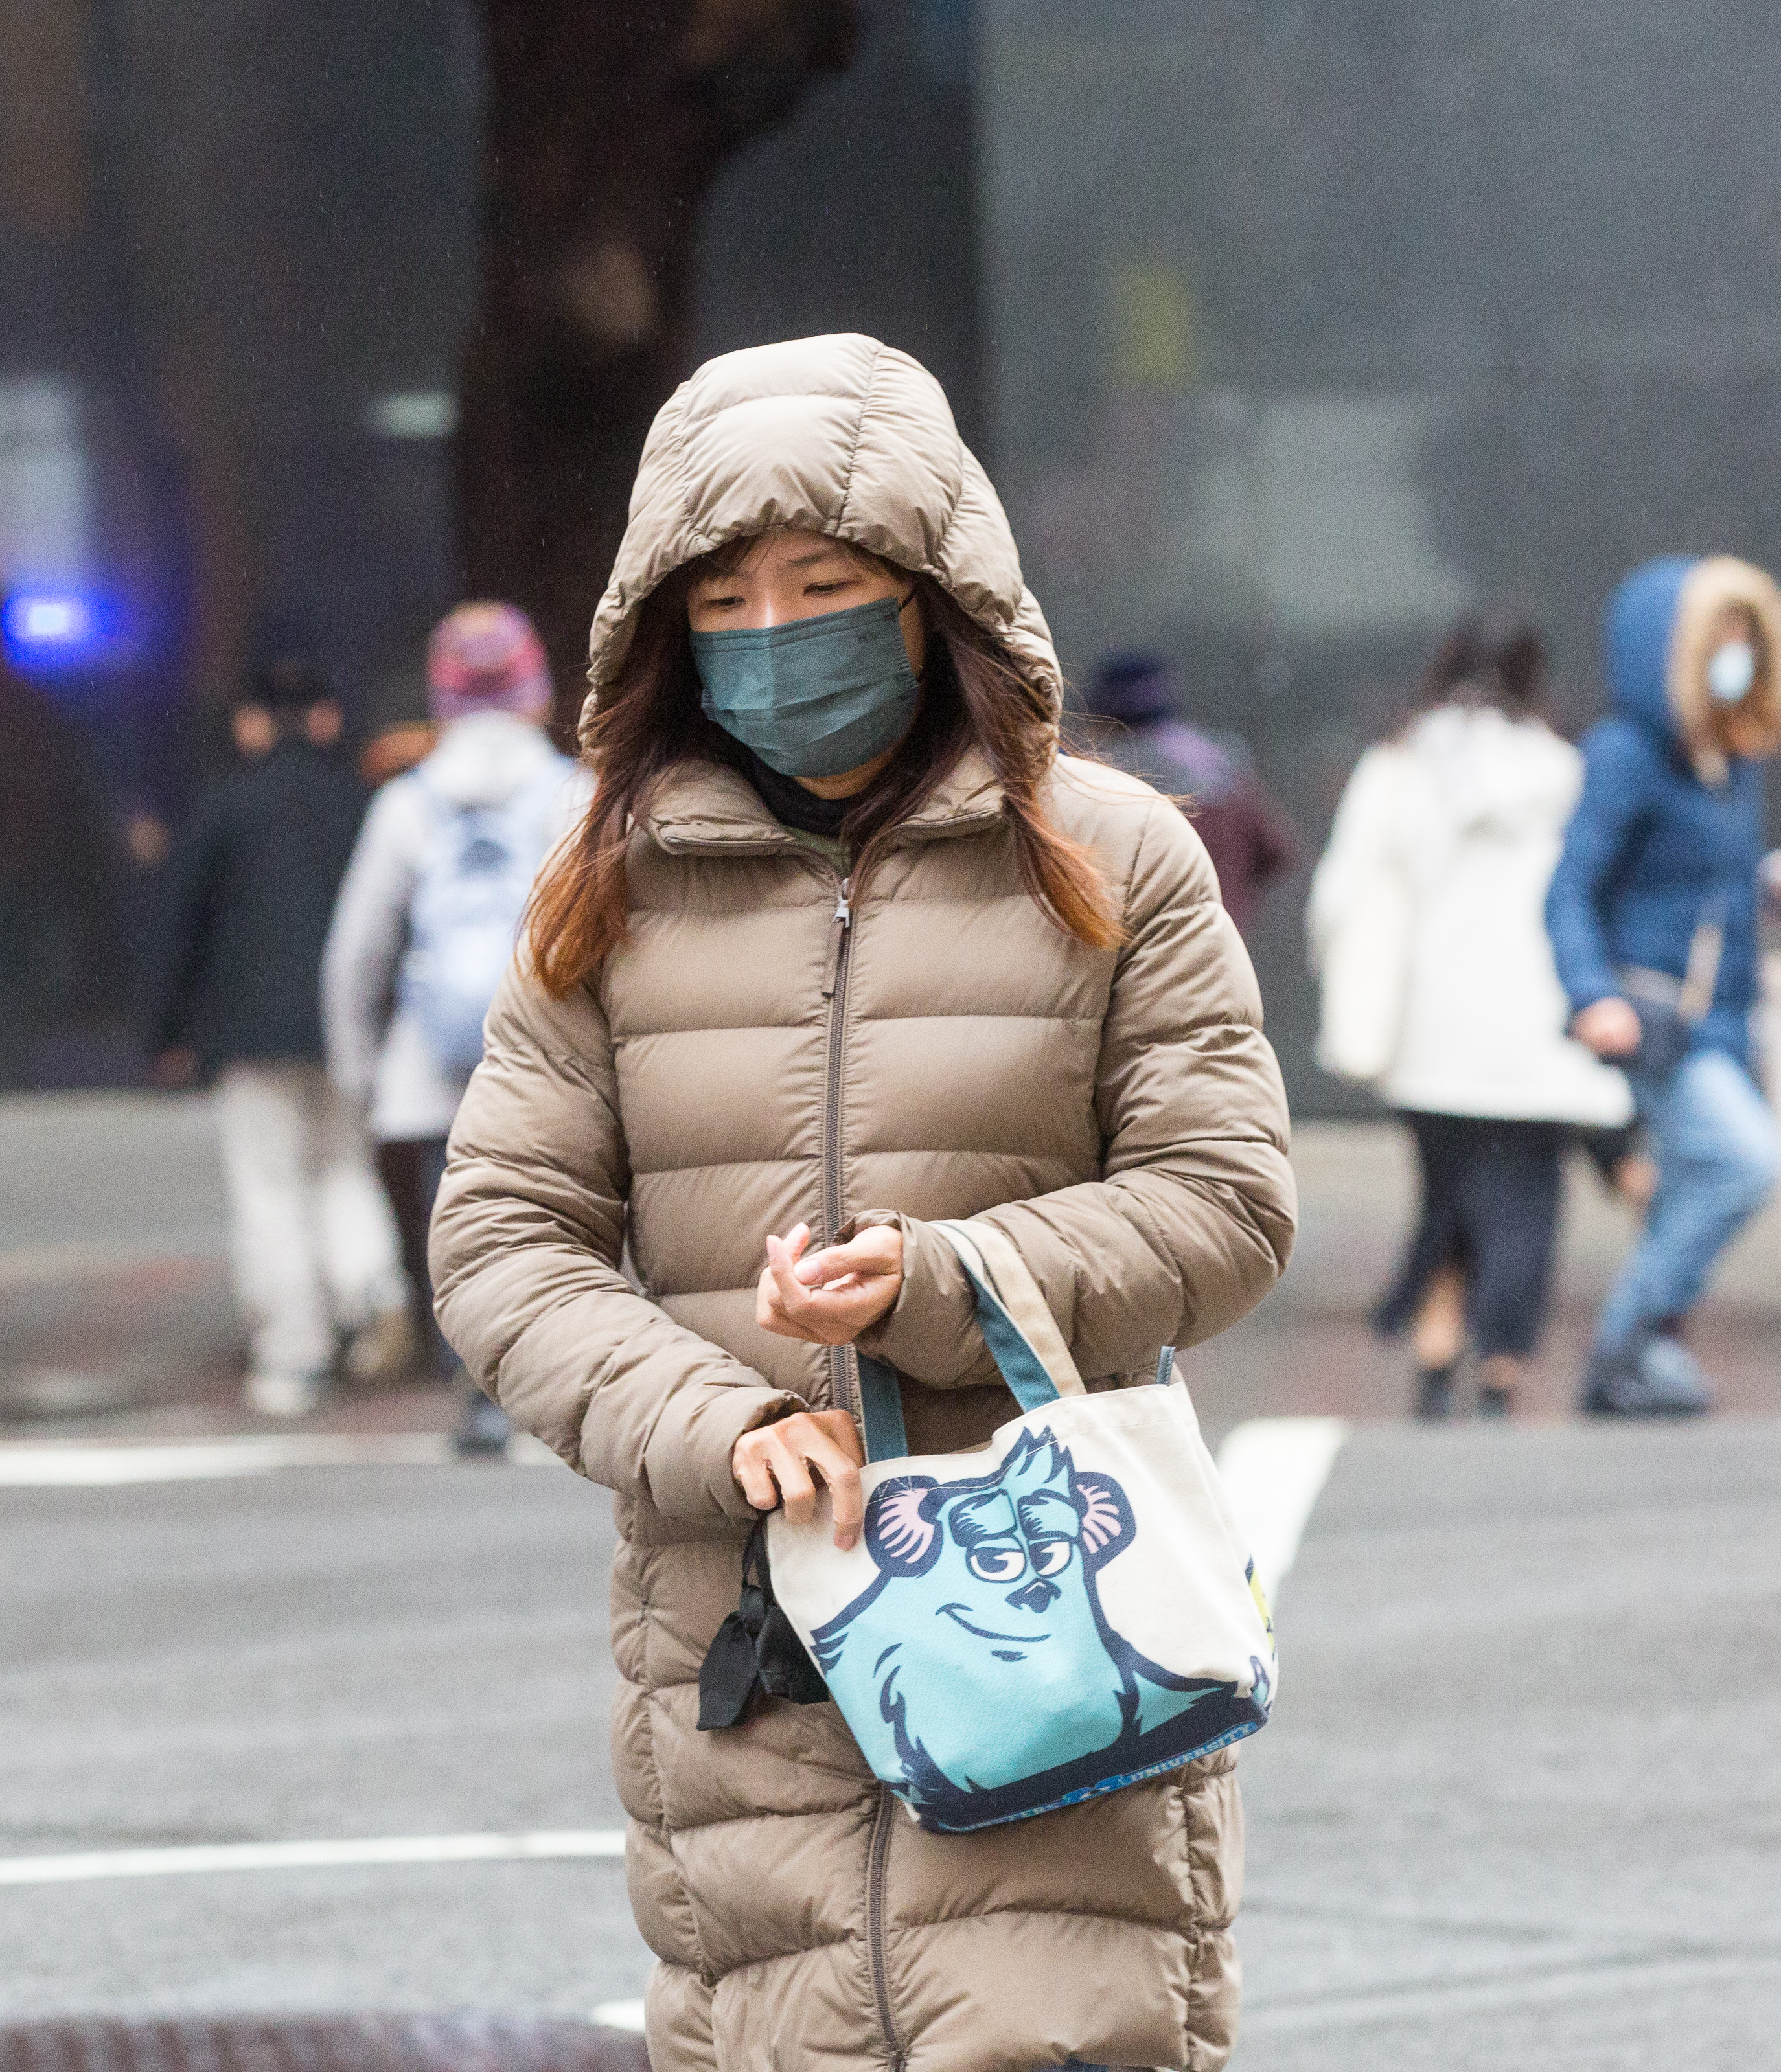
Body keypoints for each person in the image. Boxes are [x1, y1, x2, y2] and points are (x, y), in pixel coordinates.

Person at [428, 336, 1294, 2072]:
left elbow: (1225, 1197)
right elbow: (502, 1239)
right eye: (724, 601)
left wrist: (941, 1278)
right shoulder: (603, 891)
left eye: (822, 587)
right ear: (662, 631)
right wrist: (716, 1418)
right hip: (744, 1642)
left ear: (930, 590)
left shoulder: (1114, 853)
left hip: (1058, 1620)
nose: (774, 633)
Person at [1309, 613, 1633, 1419]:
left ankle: (1435, 1346)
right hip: (1538, 1027)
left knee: (1448, 1194)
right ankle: (1501, 1369)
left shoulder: (1399, 765)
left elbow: (1346, 890)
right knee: (1528, 1203)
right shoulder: (1566, 771)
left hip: (1433, 1027)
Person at [1544, 554, 1781, 1417]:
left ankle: (1640, 1354)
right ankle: (1625, 1339)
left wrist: (1773, 878)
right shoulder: (1625, 754)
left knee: (1684, 1181)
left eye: (1744, 638)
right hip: (1658, 1016)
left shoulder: (1729, 757)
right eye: (1717, 637)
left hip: (1720, 1015)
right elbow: (1569, 889)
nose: (1734, 655)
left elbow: (1710, 880)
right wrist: (1592, 993)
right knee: (1744, 1160)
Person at [321, 602, 586, 1455]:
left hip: (431, 1066)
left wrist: (359, 1071)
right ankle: (552, 1385)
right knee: (553, 1220)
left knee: (459, 1227)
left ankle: (476, 1384)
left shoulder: (407, 803)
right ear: (535, 690)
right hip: (550, 1059)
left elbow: (357, 952)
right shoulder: (573, 793)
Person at [144, 658, 408, 1418]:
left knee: (270, 1188)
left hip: (248, 1029)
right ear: (328, 719)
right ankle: (370, 1285)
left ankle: (295, 1353)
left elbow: (179, 927)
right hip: (346, 1028)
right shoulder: (360, 805)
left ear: (249, 724)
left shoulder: (223, 806)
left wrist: (166, 1030)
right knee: (343, 1169)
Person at [1074, 650, 1299, 928]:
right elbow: (1277, 854)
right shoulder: (1221, 762)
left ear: (1101, 716)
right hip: (1222, 942)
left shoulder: (1100, 775)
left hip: (1137, 947)